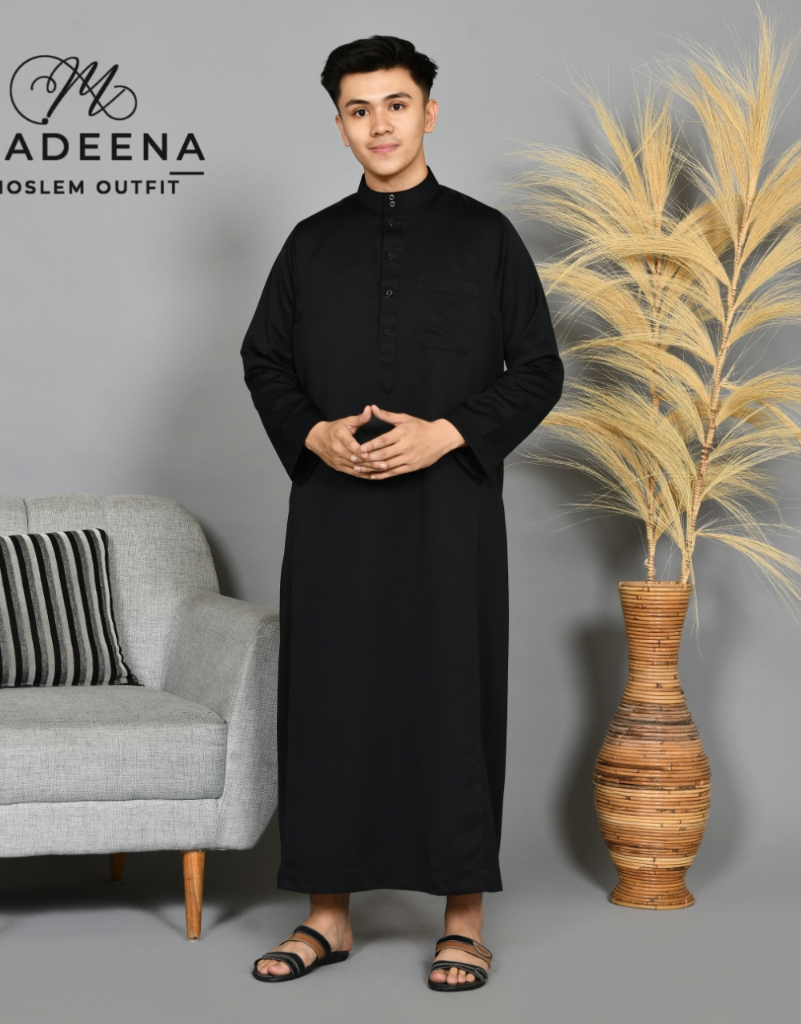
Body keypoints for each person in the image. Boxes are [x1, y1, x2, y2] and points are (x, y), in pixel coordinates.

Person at [240, 35, 562, 991]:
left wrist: (449, 434)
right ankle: (327, 916)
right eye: (358, 109)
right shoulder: (310, 244)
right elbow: (264, 360)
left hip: (448, 516)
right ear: (339, 124)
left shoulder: (486, 238)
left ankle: (462, 921)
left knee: (451, 697)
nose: (379, 125)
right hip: (335, 518)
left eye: (395, 104)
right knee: (329, 697)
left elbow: (539, 369)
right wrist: (314, 434)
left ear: (429, 112)